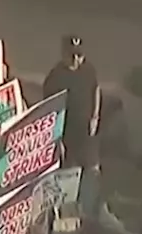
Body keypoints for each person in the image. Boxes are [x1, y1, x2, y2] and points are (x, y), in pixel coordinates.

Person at [42, 35, 102, 167]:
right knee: (70, 172)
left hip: (86, 131)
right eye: (71, 55)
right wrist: (57, 140)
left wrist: (95, 117)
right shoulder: (55, 77)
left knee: (92, 168)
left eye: (78, 55)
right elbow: (49, 109)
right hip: (67, 134)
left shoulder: (88, 70)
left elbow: (95, 89)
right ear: (63, 53)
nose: (75, 59)